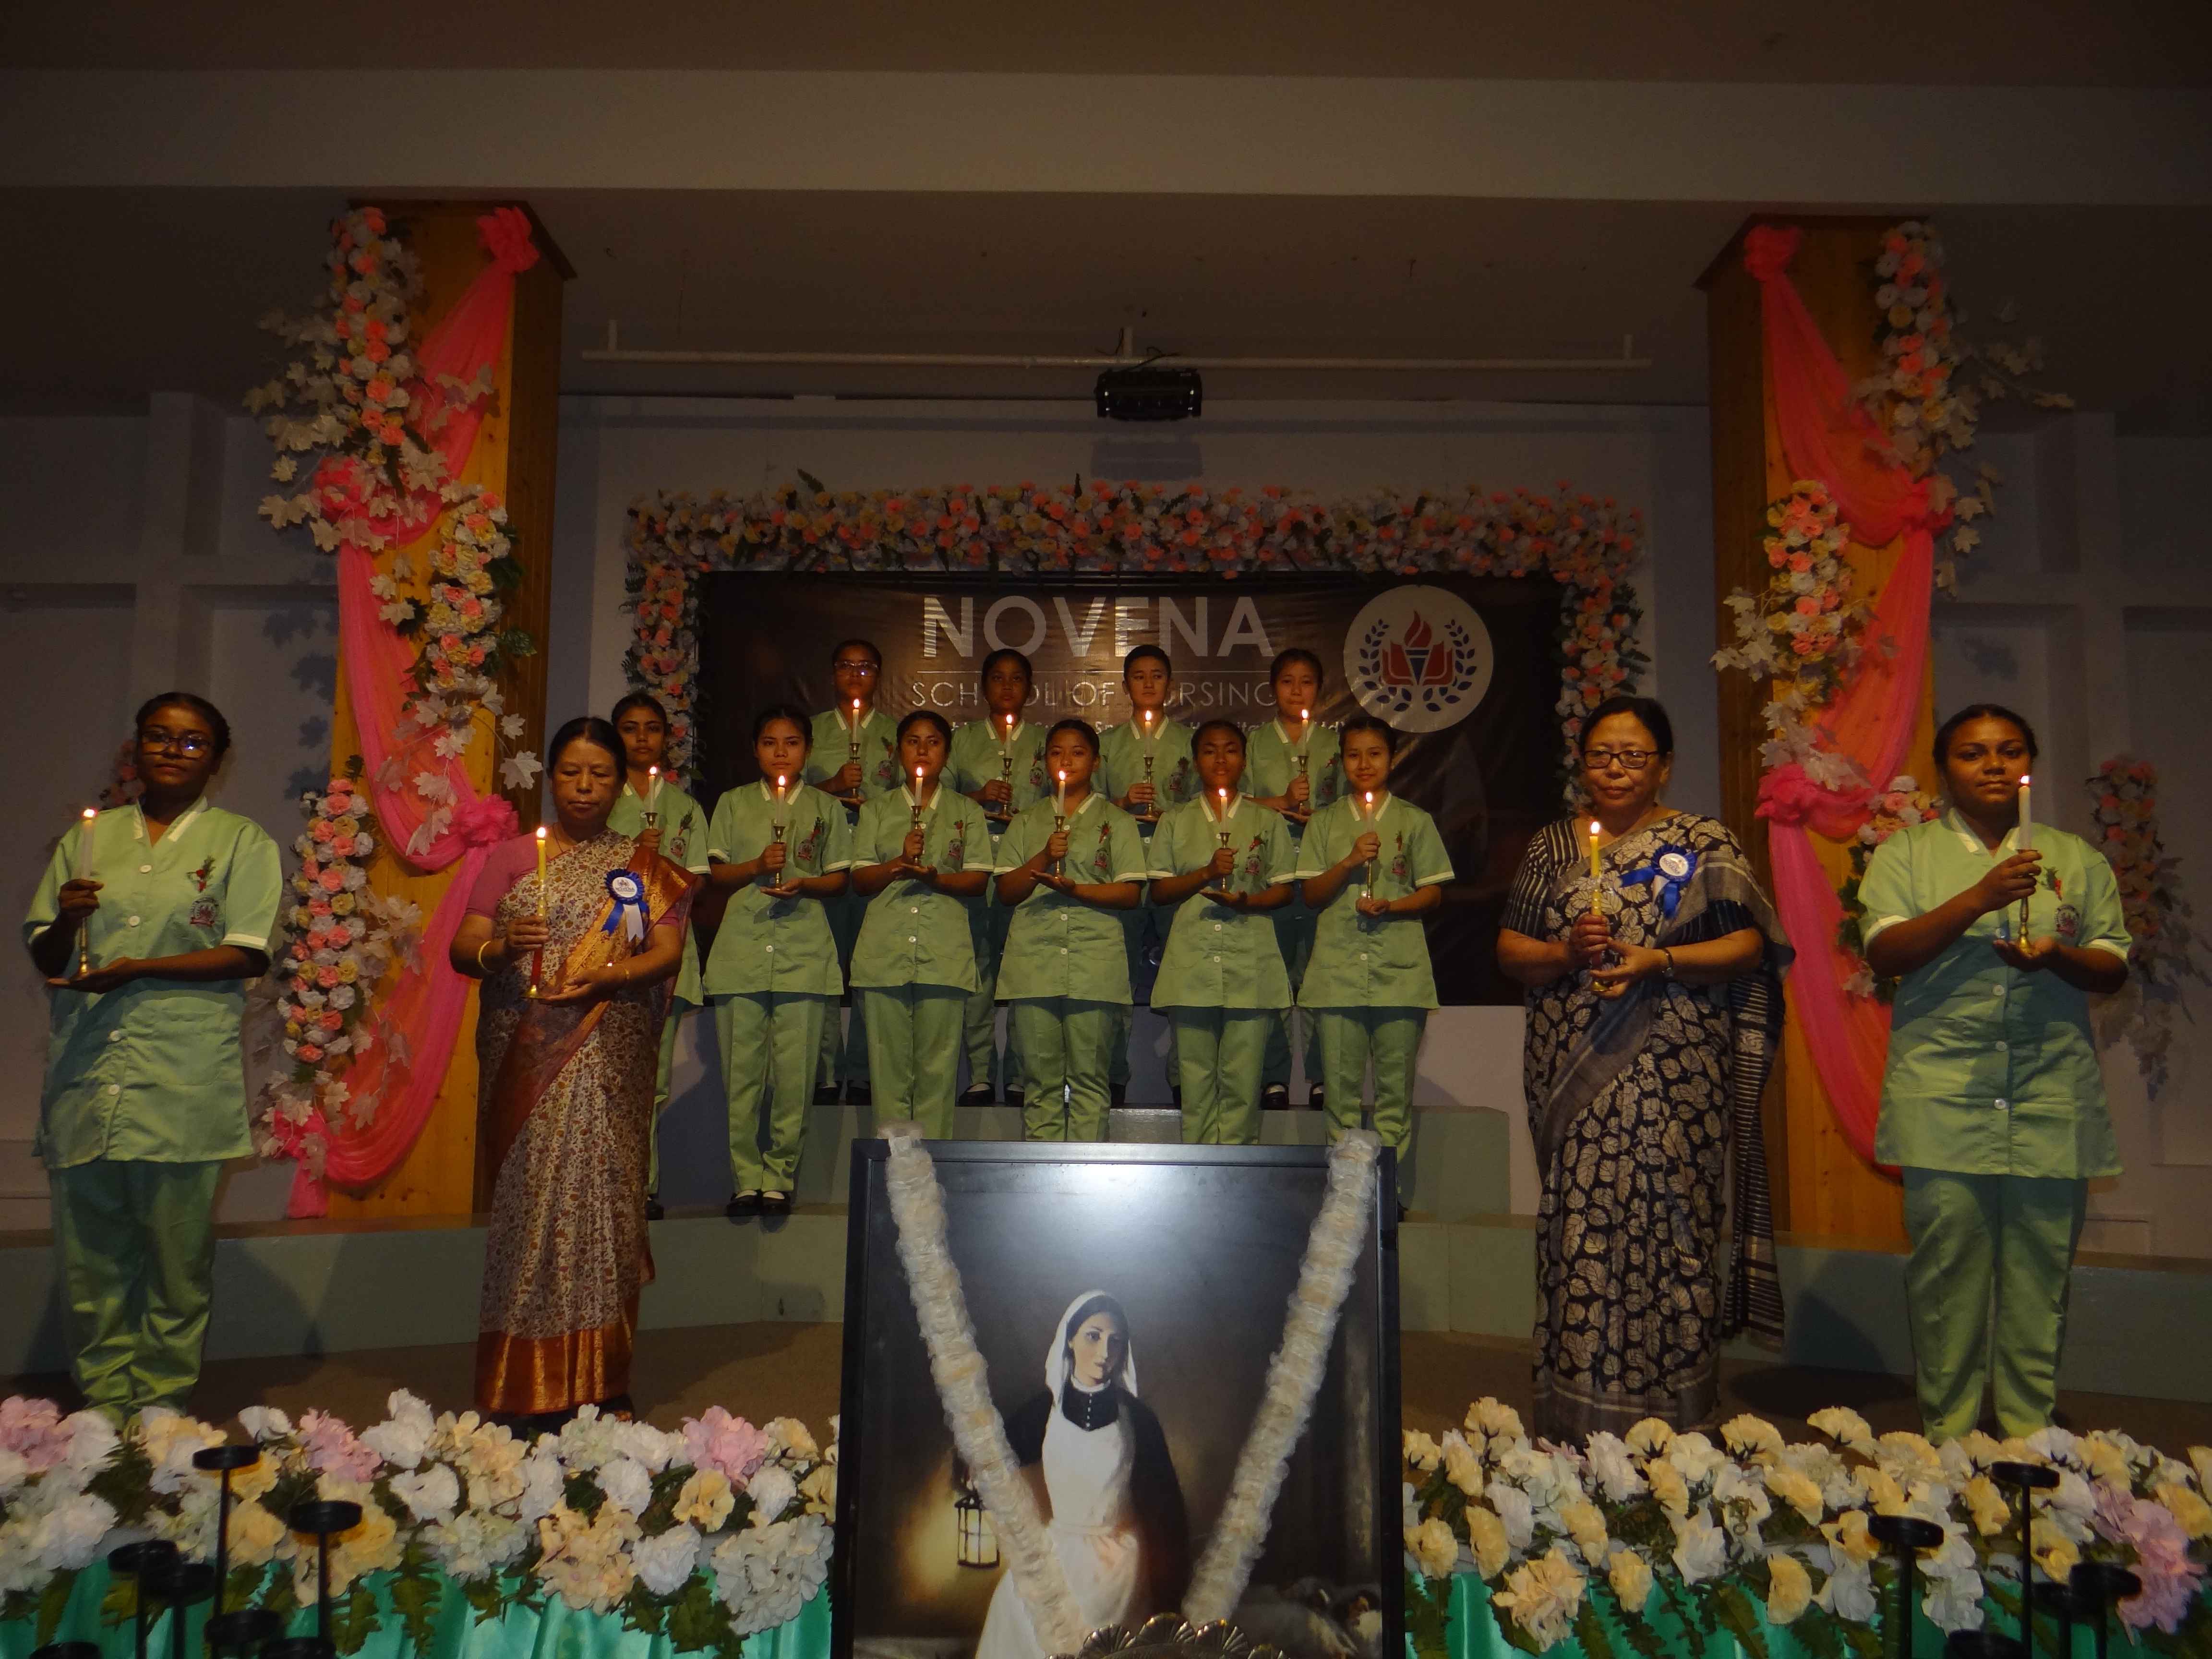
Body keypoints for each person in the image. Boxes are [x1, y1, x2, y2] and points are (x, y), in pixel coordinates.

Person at [1496, 694, 1789, 1441]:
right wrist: (1567, 952)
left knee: (1674, 1228)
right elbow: (1511, 951)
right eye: (1601, 755)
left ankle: (1679, 1426)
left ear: (1663, 766)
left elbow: (1749, 946)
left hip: (1676, 1074)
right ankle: (1576, 1421)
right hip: (1575, 1071)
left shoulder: (1703, 842)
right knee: (1579, 1232)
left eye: (1633, 756)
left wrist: (1659, 961)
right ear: (1582, 764)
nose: (1616, 769)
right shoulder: (1552, 847)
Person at [1860, 703, 2128, 1442]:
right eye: (1973, 753)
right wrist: (1981, 897)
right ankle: (1947, 1439)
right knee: (1947, 1275)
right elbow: (1885, 952)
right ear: (1946, 769)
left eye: (2010, 751)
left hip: (2051, 1090)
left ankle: (2028, 1436)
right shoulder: (1907, 854)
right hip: (1944, 1092)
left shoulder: (2074, 858)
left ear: (2029, 764)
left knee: (2041, 1275)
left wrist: (2059, 957)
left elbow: (2112, 964)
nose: (1994, 765)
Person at [23, 693, 279, 1423]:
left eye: (192, 742)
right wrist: (67, 917)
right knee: (90, 1258)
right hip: (88, 1072)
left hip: (182, 1076)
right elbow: (46, 952)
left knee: (176, 1259)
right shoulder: (90, 839)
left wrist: (140, 970)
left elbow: (247, 952)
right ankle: (105, 1406)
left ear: (217, 759)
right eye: (158, 737)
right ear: (135, 749)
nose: (172, 750)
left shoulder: (240, 842)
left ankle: (162, 1405)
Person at [453, 716, 695, 1422]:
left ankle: (602, 1381)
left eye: (600, 775)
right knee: (532, 1215)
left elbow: (666, 952)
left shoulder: (640, 868)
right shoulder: (509, 858)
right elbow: (465, 946)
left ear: (621, 786)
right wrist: (502, 948)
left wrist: (612, 976)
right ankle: (519, 1385)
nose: (585, 786)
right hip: (527, 1059)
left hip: (608, 1057)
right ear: (551, 778)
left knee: (606, 1213)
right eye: (571, 772)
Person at [974, 1292, 1190, 1659]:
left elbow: (1167, 1507)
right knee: (1015, 1607)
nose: (1105, 1352)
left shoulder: (1138, 1419)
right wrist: (974, 1469)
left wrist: (1169, 1587)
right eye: (1093, 1336)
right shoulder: (1044, 1410)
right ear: (1070, 1339)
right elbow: (995, 1452)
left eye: (1115, 1341)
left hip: (1120, 1567)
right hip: (1058, 1551)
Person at [1296, 715, 1451, 1211]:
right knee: (1340, 1096)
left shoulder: (1414, 820)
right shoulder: (1324, 823)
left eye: (1375, 753)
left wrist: (1393, 906)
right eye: (1354, 755)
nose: (1364, 764)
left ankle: (1387, 1196)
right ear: (1341, 761)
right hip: (1338, 973)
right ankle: (1347, 1196)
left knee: (1393, 1093)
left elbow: (1433, 893)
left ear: (1392, 758)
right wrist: (1347, 862)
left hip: (1399, 974)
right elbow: (1311, 895)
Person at [704, 707, 852, 1218]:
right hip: (742, 951)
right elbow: (716, 874)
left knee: (795, 1075)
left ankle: (780, 1176)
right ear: (755, 750)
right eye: (770, 742)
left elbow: (839, 879)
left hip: (803, 952)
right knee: (741, 1074)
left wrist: (805, 882)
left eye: (791, 742)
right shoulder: (733, 803)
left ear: (807, 749)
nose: (781, 752)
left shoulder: (826, 807)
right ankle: (746, 1178)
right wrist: (755, 867)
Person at [994, 721, 1148, 1141]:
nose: (1067, 760)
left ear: (1096, 762)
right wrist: (1043, 857)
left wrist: (1077, 890)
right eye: (1056, 752)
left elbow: (1130, 893)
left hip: (1094, 964)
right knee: (1039, 1081)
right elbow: (1006, 891)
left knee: (1090, 1080)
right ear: (1044, 762)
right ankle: (1044, 1174)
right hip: (1035, 963)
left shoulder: (1117, 821)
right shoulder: (1026, 822)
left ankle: (1086, 1172)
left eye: (1078, 752)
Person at [1147, 721, 1297, 1145]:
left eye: (1231, 750)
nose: (1220, 759)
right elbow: (1159, 891)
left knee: (1242, 1083)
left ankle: (1236, 1168)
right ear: (1196, 762)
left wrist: (1248, 902)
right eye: (1210, 750)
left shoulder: (1267, 820)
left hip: (1250, 961)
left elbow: (1285, 890)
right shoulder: (1175, 820)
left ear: (1244, 761)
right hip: (1192, 962)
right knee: (1195, 1082)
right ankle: (1197, 1170)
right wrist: (1206, 873)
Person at [849, 711, 993, 1138]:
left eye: (933, 742)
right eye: (913, 741)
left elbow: (978, 880)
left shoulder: (966, 811)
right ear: (898, 751)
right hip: (885, 953)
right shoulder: (876, 810)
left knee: (937, 1072)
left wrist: (936, 879)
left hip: (943, 953)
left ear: (946, 753)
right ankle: (897, 1170)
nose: (923, 750)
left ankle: (930, 1171)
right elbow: (861, 880)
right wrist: (898, 862)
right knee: (889, 1073)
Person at [607, 692, 711, 1219]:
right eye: (630, 728)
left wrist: (657, 865)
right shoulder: (601, 800)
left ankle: (642, 1186)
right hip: (609, 950)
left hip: (666, 951)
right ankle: (609, 1184)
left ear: (667, 738)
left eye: (651, 728)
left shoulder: (685, 808)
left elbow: (699, 882)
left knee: (654, 1079)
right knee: (612, 1077)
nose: (642, 738)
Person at [949, 648, 1048, 1109]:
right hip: (974, 864)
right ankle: (980, 1075)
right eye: (997, 678)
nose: (1007, 687)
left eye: (1016, 679)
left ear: (1030, 688)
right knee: (979, 970)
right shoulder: (963, 740)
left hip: (1029, 867)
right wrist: (977, 795)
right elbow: (935, 800)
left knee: (1026, 971)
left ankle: (1023, 1075)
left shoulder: (1046, 742)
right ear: (983, 687)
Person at [1100, 645, 1199, 1105]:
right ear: (1125, 686)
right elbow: (1085, 808)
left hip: (1175, 867)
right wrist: (1121, 805)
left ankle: (1183, 1075)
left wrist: (1171, 816)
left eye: (1157, 675)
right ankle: (1113, 1074)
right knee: (1116, 975)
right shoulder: (1106, 745)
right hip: (1121, 868)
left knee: (1183, 971)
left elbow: (1203, 806)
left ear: (1170, 685)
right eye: (1138, 676)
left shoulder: (1190, 743)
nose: (1148, 684)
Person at [1245, 649, 1343, 1110]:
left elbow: (1354, 805)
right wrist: (1281, 802)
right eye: (1288, 681)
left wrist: (1320, 816)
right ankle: (1274, 1077)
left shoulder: (1336, 746)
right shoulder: (1254, 744)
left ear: (1318, 690)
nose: (1297, 690)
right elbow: (1235, 802)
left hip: (1323, 872)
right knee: (1274, 979)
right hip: (1271, 872)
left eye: (1306, 682)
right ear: (1273, 689)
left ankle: (1323, 1077)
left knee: (1321, 978)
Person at [808, 638, 900, 1107]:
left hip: (874, 863)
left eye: (866, 666)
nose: (856, 674)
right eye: (847, 665)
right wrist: (833, 786)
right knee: (823, 965)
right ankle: (826, 1070)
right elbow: (789, 794)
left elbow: (910, 798)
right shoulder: (809, 731)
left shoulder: (896, 734)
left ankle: (863, 1071)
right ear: (832, 674)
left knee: (869, 969)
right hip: (821, 858)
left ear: (879, 674)